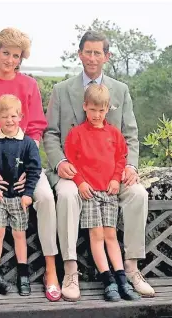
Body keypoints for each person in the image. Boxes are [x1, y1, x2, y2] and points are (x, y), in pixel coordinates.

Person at [43, 30, 155, 301]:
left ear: (107, 56)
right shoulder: (61, 90)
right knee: (68, 195)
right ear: (80, 53)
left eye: (98, 53)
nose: (92, 58)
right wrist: (59, 163)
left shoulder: (120, 90)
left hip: (111, 173)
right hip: (75, 172)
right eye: (88, 52)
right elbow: (51, 134)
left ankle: (130, 268)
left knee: (138, 194)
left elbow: (129, 135)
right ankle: (70, 270)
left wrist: (130, 166)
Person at [0, 27, 61, 304]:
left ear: (21, 58)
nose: (10, 60)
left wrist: (24, 171)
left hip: (23, 162)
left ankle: (51, 271)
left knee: (45, 196)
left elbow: (36, 132)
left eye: (16, 55)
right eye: (5, 53)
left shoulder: (29, 86)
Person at [64, 83, 140, 301]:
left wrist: (117, 179)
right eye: (92, 109)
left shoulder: (114, 134)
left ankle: (122, 280)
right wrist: (79, 182)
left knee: (111, 236)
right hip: (89, 193)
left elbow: (120, 159)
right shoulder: (76, 134)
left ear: (107, 109)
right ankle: (108, 281)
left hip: (109, 191)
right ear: (85, 106)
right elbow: (71, 162)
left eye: (101, 110)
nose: (96, 115)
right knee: (96, 236)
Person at [0, 94, 41, 296]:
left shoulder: (28, 144)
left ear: (20, 116)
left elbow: (34, 170)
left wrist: (29, 194)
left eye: (14, 116)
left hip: (19, 199)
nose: (10, 120)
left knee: (19, 235)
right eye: (5, 116)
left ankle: (23, 274)